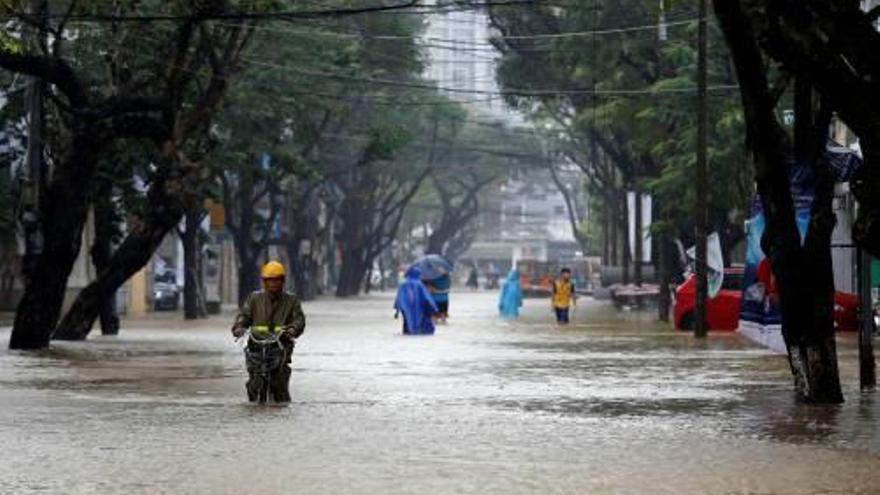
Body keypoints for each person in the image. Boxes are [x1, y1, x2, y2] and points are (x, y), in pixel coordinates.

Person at [232, 261, 305, 403]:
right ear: (264, 282)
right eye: (270, 280)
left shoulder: (291, 300)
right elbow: (245, 316)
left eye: (277, 280)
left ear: (282, 281)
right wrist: (239, 327)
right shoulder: (254, 298)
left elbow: (299, 320)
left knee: (280, 382)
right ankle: (254, 398)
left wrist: (292, 330)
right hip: (256, 345)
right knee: (254, 379)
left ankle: (281, 406)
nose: (274, 284)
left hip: (280, 346)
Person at [394, 267, 439, 335]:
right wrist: (434, 308)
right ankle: (419, 330)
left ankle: (408, 331)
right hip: (420, 307)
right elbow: (427, 298)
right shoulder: (420, 285)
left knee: (407, 320)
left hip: (406, 308)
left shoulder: (403, 285)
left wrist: (397, 309)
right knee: (421, 319)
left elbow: (399, 297)